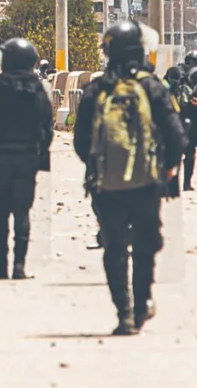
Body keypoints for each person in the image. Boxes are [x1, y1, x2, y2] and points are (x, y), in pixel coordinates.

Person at [73, 21, 186, 335]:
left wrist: (98, 167)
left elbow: (81, 141)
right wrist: (167, 168)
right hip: (147, 182)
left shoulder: (95, 90)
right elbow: (176, 135)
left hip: (106, 184)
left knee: (115, 246)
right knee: (145, 244)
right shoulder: (152, 87)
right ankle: (141, 306)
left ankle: (123, 313)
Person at [0, 38, 53, 280]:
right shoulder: (37, 90)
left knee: (0, 214)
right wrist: (37, 153)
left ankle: (2, 265)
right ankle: (19, 266)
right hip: (27, 158)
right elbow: (47, 129)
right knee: (22, 213)